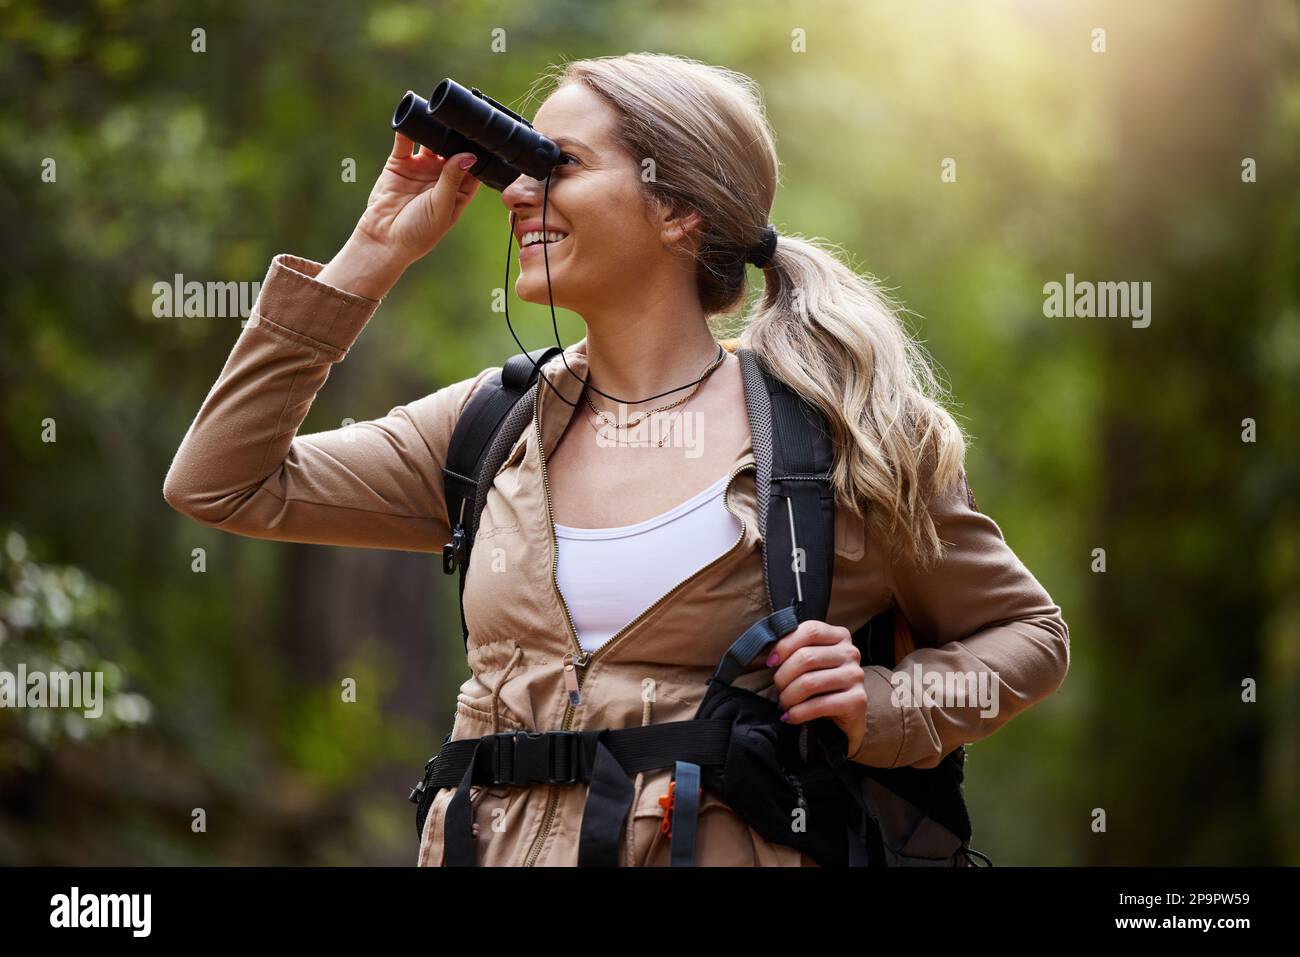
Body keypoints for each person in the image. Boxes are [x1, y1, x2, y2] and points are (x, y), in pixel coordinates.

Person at [163, 52, 1070, 866]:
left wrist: (881, 706)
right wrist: (370, 253)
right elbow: (221, 480)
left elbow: (1029, 636)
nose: (517, 192)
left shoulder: (843, 438)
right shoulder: (491, 426)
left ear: (679, 211)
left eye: (558, 166)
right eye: (518, 164)